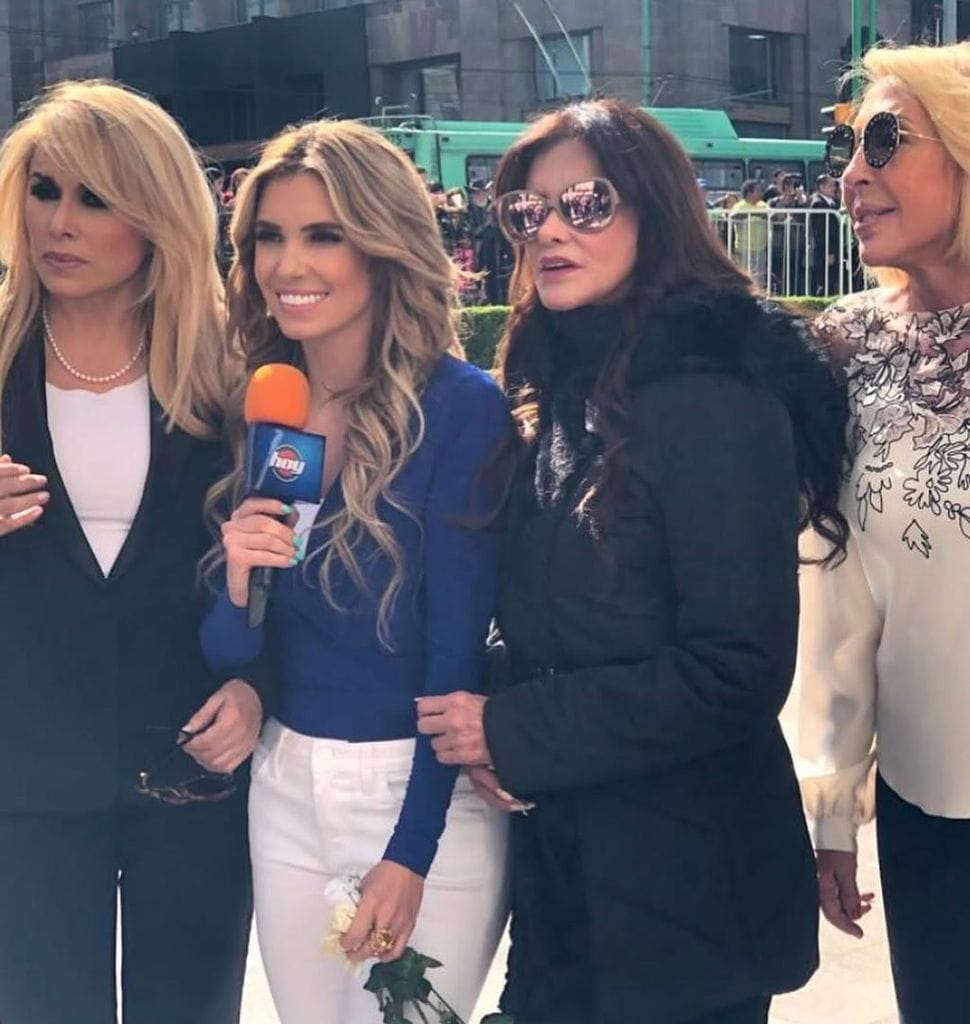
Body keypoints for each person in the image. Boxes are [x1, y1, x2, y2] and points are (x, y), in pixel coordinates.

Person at [417, 98, 849, 1024]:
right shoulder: (561, 380)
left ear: (656, 210)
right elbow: (550, 608)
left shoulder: (712, 396)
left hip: (687, 902)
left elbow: (738, 667)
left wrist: (515, 728)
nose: (551, 231)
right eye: (527, 212)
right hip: (575, 884)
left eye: (588, 203)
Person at [199, 118, 510, 1024]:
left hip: (418, 798)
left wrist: (411, 853)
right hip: (282, 783)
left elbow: (455, 655)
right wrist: (236, 575)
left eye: (322, 234)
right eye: (269, 235)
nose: (287, 264)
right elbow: (231, 647)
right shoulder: (263, 401)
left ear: (383, 246)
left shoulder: (463, 410)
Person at [0, 79, 273, 1024]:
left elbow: (301, 565)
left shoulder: (238, 371)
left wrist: (258, 686)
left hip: (193, 765)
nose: (59, 223)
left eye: (95, 198)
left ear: (156, 214)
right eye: (44, 191)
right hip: (22, 777)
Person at [798, 42, 970, 1024]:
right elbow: (834, 590)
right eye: (847, 147)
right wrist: (830, 807)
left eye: (882, 140)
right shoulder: (847, 347)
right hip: (925, 808)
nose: (852, 175)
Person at [730, 179, 769, 288]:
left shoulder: (763, 205)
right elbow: (733, 217)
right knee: (745, 278)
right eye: (758, 190)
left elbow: (774, 216)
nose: (761, 193)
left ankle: (760, 300)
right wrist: (751, 214)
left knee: (760, 279)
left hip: (760, 248)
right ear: (750, 192)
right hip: (744, 249)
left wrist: (766, 215)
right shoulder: (739, 206)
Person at [808, 173, 841, 297]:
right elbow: (821, 232)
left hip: (832, 248)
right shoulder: (818, 204)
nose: (834, 188)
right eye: (831, 185)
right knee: (824, 281)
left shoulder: (831, 203)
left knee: (831, 280)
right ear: (821, 187)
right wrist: (829, 252)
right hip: (825, 250)